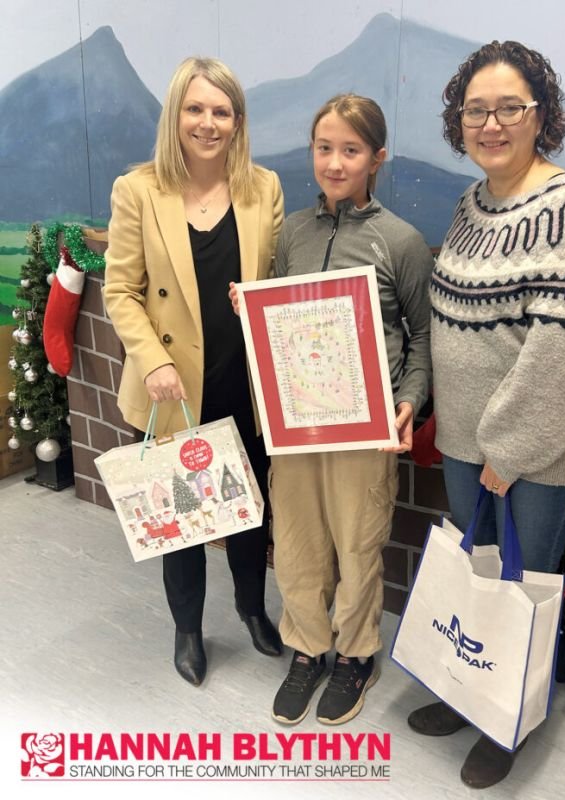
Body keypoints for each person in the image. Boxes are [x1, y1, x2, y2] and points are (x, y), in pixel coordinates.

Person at [407, 41, 565, 788]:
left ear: (541, 115)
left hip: (538, 449)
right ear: (458, 121)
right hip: (468, 442)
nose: (490, 124)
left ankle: (508, 721)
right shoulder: (473, 203)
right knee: (478, 574)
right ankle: (469, 690)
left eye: (509, 109)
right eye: (475, 111)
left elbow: (560, 351)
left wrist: (511, 449)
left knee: (524, 588)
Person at [241, 94, 433, 726]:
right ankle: (307, 647)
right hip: (297, 425)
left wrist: (409, 401)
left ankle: (355, 655)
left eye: (351, 150)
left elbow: (423, 338)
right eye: (324, 148)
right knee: (297, 545)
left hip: (364, 431)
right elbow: (278, 321)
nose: (335, 162)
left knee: (357, 546)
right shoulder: (293, 233)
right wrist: (253, 311)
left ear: (377, 158)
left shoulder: (400, 241)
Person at [103, 56, 284, 687]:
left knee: (248, 507)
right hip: (171, 386)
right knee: (179, 516)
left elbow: (277, 281)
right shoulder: (138, 190)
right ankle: (187, 628)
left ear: (238, 121)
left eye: (222, 111)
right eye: (196, 109)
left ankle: (252, 608)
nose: (208, 123)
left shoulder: (264, 188)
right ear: (176, 114)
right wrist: (152, 360)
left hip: (243, 381)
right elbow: (121, 291)